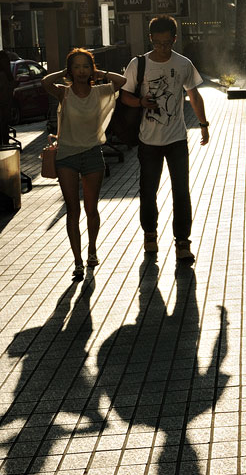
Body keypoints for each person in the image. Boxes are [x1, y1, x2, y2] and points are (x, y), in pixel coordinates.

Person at [119, 15, 210, 262]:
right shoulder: (138, 64)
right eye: (157, 43)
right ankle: (150, 234)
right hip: (148, 141)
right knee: (148, 191)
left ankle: (182, 242)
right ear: (150, 39)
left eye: (167, 43)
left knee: (181, 191)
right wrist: (140, 102)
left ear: (174, 39)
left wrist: (203, 125)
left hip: (177, 139)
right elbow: (124, 95)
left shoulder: (183, 64)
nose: (162, 48)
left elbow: (194, 95)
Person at [42, 48, 127, 279]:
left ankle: (91, 250)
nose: (81, 71)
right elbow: (45, 82)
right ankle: (77, 261)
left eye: (85, 66)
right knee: (73, 209)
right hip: (67, 156)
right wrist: (62, 72)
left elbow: (122, 80)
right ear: (71, 70)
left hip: (92, 153)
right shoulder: (64, 93)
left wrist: (100, 73)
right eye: (76, 66)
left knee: (91, 209)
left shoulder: (99, 92)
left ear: (92, 69)